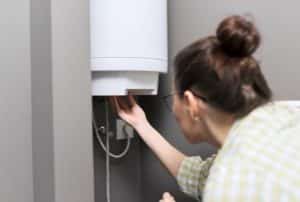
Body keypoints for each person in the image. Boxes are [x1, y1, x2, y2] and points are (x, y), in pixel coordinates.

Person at [111, 15, 300, 202]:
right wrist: (141, 124)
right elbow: (200, 176)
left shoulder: (230, 185)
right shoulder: (287, 114)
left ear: (191, 104)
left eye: (172, 99)